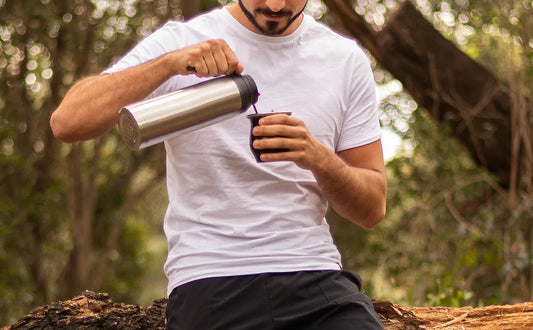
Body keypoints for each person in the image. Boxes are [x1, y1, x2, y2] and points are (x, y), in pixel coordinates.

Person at [50, 0, 387, 328]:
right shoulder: (184, 41)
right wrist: (168, 64)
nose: (274, 5)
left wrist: (320, 158)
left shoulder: (344, 60)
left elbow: (372, 209)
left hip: (315, 277)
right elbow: (67, 122)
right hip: (210, 278)